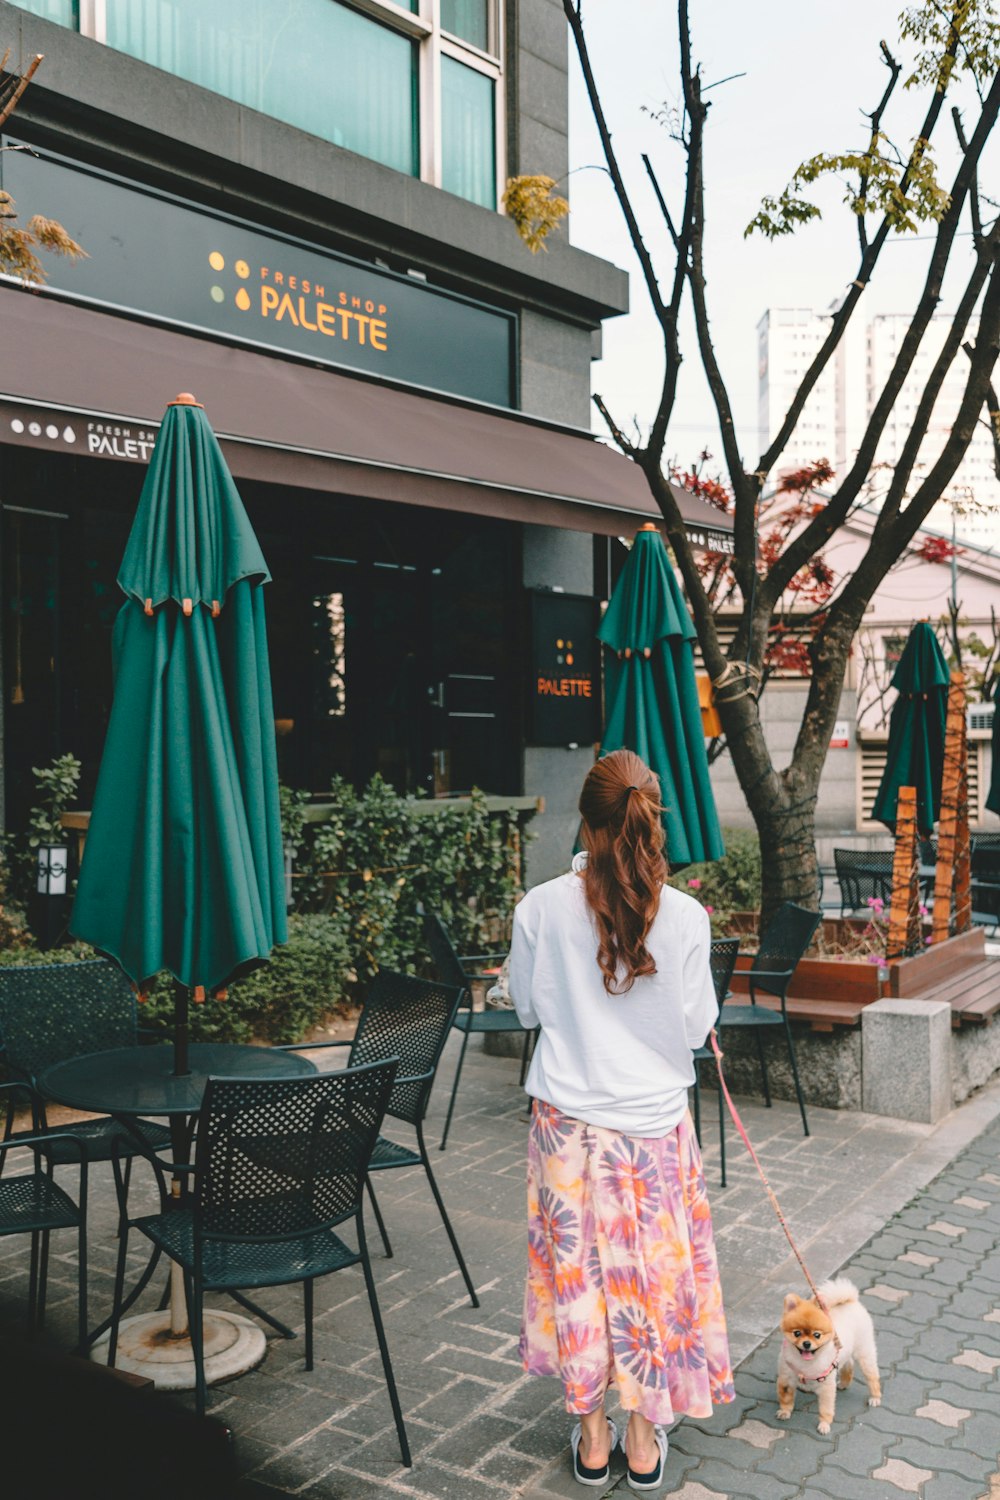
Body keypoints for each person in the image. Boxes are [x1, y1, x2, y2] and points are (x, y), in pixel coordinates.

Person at [508, 748, 734, 1491]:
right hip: (654, 1134)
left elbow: (527, 1009)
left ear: (586, 816)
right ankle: (643, 1443)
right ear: (652, 818)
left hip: (568, 1126)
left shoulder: (540, 907)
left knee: (579, 1282)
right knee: (653, 1284)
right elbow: (699, 1026)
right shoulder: (688, 917)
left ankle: (594, 1436)